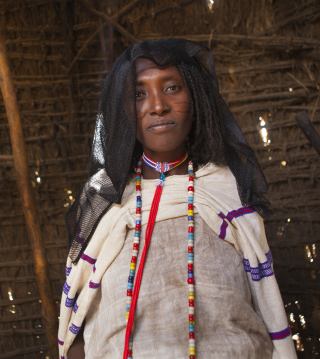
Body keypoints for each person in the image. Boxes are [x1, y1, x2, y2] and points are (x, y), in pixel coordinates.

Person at [58, 39, 297, 359]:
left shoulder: (228, 189)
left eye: (172, 88)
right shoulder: (104, 196)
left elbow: (265, 303)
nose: (157, 105)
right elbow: (77, 318)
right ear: (124, 109)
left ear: (195, 97)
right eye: (138, 94)